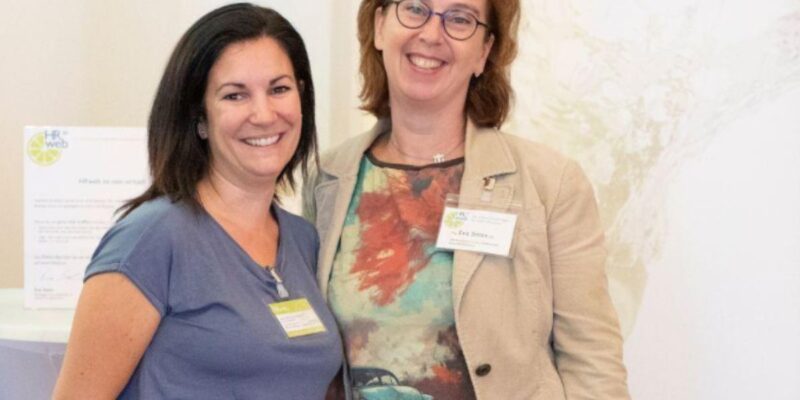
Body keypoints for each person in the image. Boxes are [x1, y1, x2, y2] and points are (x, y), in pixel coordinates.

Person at [303, 0, 630, 399]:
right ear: (379, 25)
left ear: (484, 51)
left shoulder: (551, 183)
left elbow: (593, 362)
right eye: (415, 8)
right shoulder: (328, 179)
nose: (431, 33)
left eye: (460, 18)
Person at [53, 4, 342, 399]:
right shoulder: (151, 239)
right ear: (200, 118)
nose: (263, 114)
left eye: (279, 89)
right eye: (235, 95)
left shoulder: (304, 240)